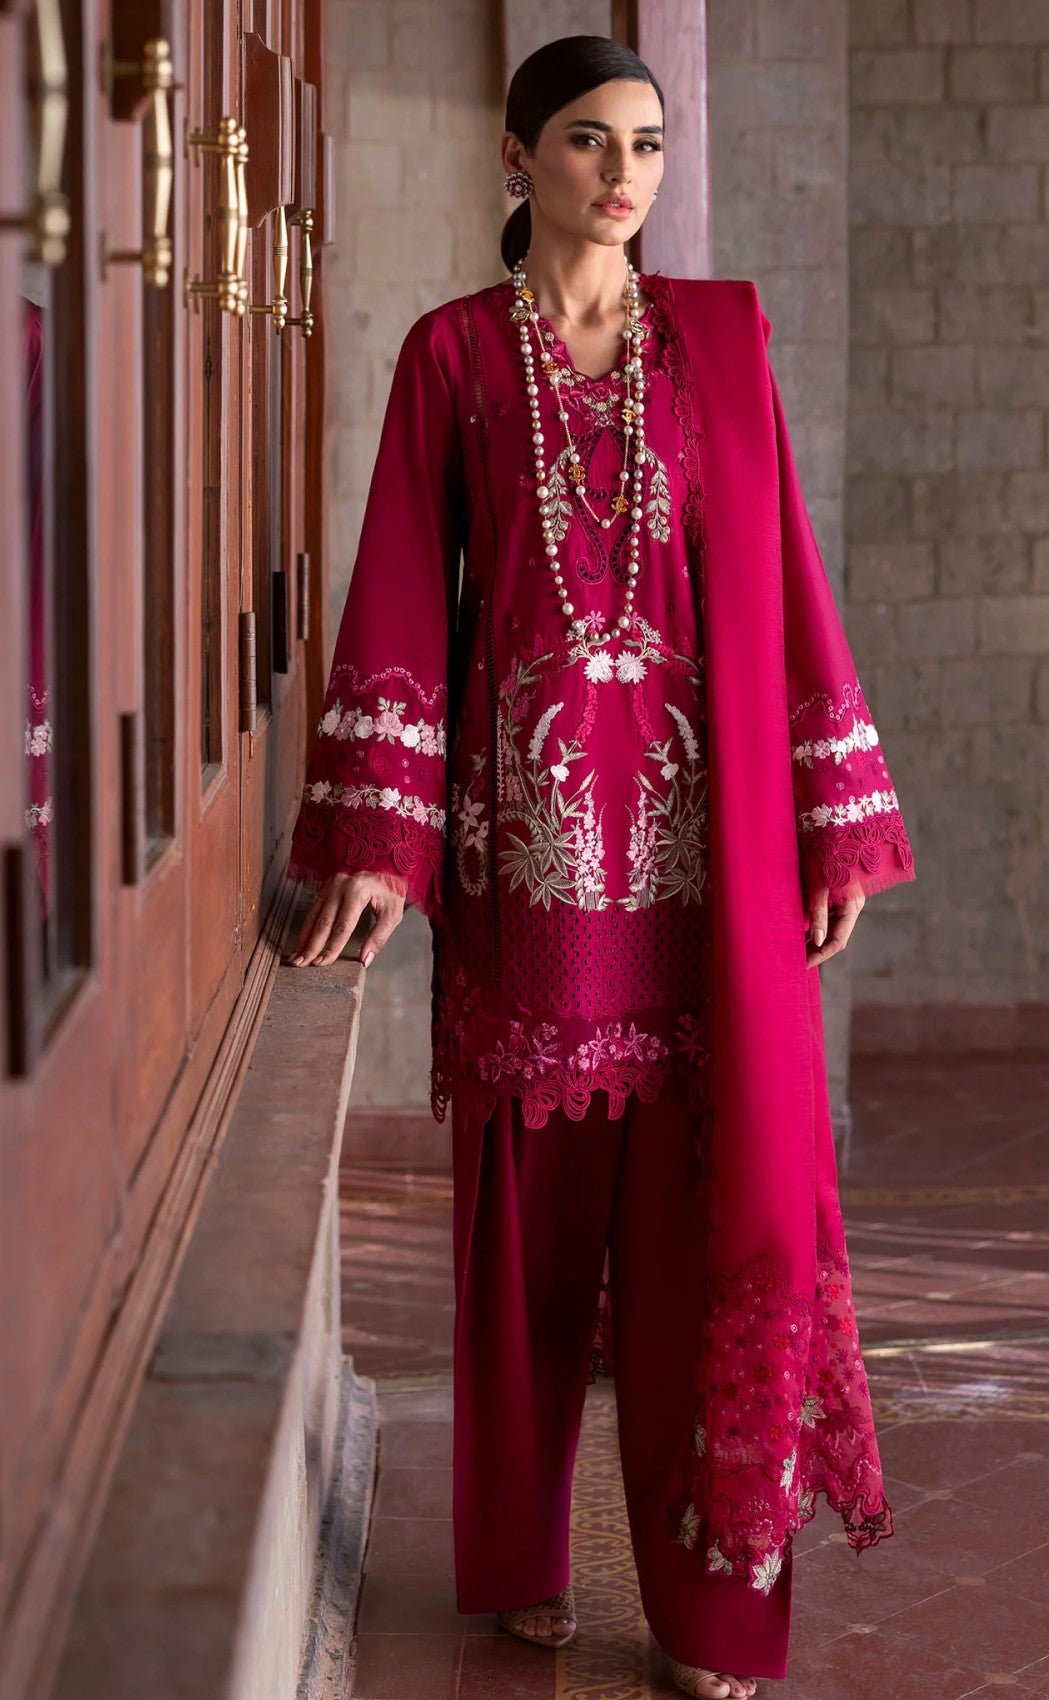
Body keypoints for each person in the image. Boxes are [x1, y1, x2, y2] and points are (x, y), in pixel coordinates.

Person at [286, 35, 916, 1700]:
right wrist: (380, 841)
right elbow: (403, 586)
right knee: (529, 1248)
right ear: (518, 159)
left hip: (710, 876)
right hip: (530, 866)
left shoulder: (718, 345)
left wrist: (831, 818)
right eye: (586, 140)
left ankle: (714, 1615)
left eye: (644, 143)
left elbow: (785, 580)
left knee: (712, 1232)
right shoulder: (451, 357)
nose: (623, 173)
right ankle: (518, 1558)